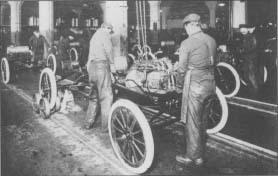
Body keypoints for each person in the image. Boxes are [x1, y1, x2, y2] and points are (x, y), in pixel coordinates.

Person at [175, 13, 216, 167]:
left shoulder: (187, 43)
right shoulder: (211, 40)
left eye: (185, 27)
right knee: (203, 121)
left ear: (189, 26)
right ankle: (199, 156)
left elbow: (181, 69)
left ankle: (192, 157)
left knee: (192, 122)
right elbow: (213, 62)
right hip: (211, 84)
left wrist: (179, 87)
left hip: (196, 85)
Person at [84, 22, 115, 132]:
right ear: (106, 28)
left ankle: (88, 123)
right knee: (106, 97)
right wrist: (112, 65)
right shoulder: (104, 34)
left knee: (93, 97)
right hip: (101, 66)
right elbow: (109, 50)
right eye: (110, 31)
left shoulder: (94, 36)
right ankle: (106, 127)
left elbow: (89, 57)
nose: (110, 34)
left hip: (92, 67)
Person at [237, 24, 262, 97]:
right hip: (247, 58)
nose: (242, 31)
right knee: (246, 75)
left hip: (251, 59)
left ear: (247, 29)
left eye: (244, 29)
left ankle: (255, 93)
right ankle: (252, 91)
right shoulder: (245, 37)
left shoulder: (251, 36)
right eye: (241, 30)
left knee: (251, 75)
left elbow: (253, 47)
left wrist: (242, 50)